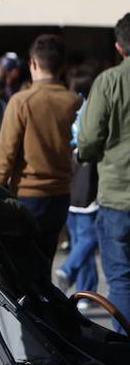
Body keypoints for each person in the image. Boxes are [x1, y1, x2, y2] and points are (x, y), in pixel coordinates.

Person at [0, 33, 80, 278]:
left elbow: (4, 156)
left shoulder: (21, 101)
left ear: (33, 63)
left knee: (21, 273)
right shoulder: (73, 102)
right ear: (63, 67)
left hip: (27, 194)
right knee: (43, 266)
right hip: (60, 194)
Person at [77, 12, 130, 333]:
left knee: (122, 279)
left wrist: (88, 154)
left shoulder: (109, 81)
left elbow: (88, 139)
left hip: (118, 194)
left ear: (119, 47)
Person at [58, 65, 99, 305]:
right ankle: (73, 273)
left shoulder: (69, 110)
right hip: (86, 177)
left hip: (69, 178)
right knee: (88, 235)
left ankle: (86, 289)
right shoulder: (90, 110)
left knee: (79, 235)